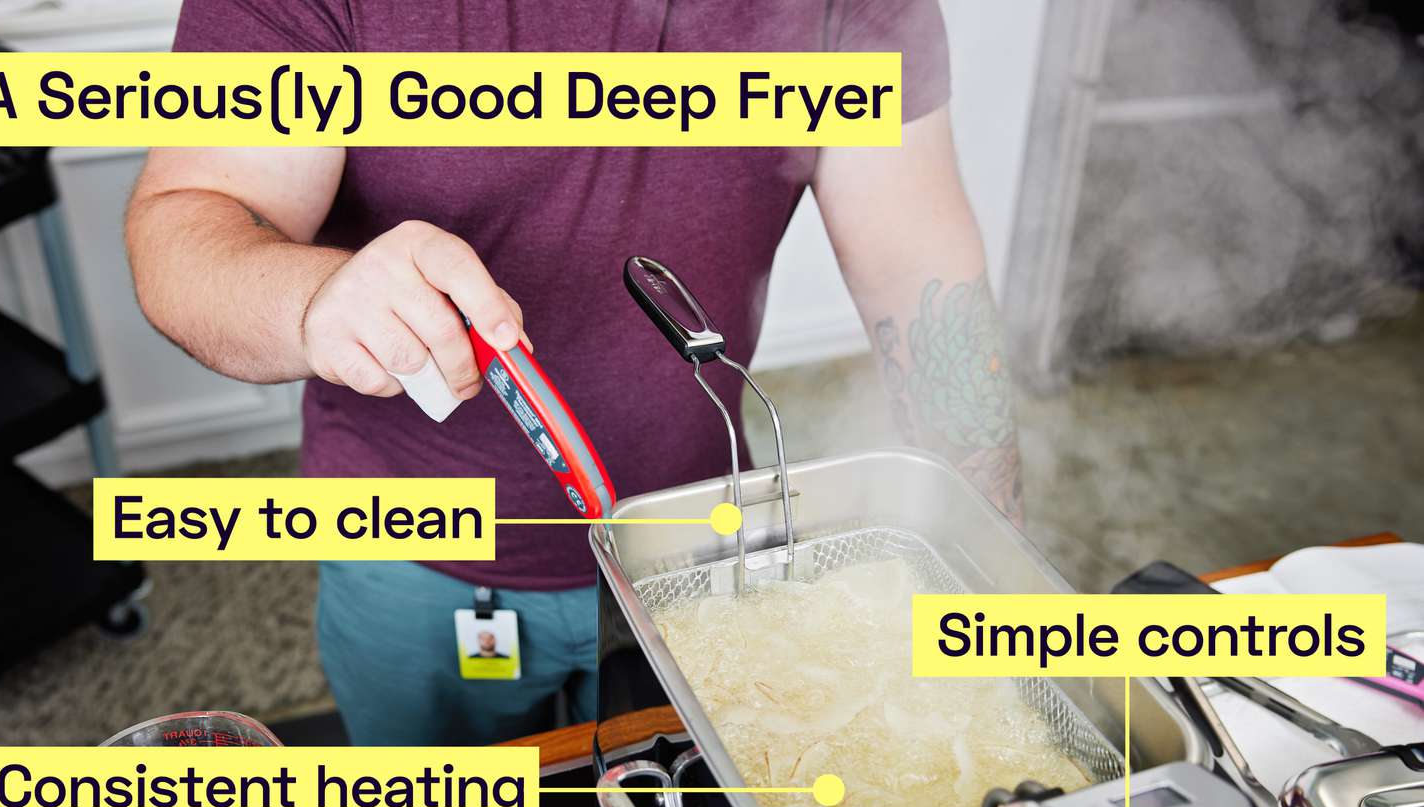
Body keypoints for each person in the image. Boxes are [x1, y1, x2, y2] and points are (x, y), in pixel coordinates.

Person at [126, 0, 1021, 746]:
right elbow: (183, 229)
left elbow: (925, 287)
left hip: (703, 545)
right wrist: (316, 298)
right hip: (417, 557)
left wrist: (1000, 582)